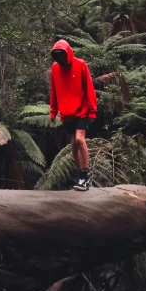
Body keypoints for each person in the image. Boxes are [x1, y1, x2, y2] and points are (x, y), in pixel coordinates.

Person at [50, 39, 97, 191]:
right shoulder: (55, 69)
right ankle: (80, 175)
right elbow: (54, 91)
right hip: (66, 113)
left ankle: (85, 176)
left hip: (81, 110)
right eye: (58, 56)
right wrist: (53, 111)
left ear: (68, 53)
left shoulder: (80, 64)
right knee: (72, 146)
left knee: (79, 140)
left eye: (63, 55)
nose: (61, 59)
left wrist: (92, 109)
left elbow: (89, 87)